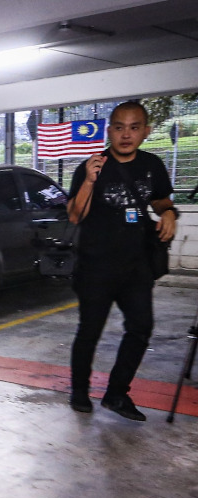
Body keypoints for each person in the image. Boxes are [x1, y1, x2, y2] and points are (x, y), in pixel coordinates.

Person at [67, 101, 179, 420]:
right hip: (95, 267)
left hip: (136, 265)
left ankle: (116, 393)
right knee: (90, 331)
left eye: (133, 127)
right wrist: (89, 180)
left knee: (141, 328)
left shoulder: (152, 164)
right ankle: (78, 391)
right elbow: (75, 216)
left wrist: (168, 212)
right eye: (119, 127)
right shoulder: (92, 166)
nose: (126, 134)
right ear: (109, 130)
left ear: (145, 130)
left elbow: (160, 198)